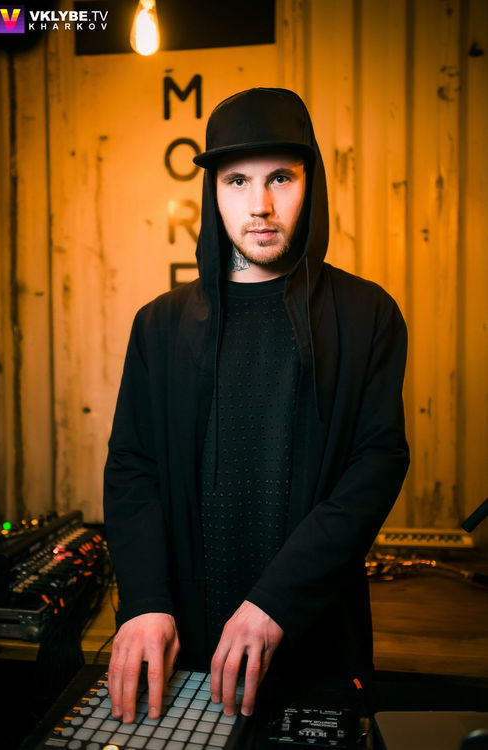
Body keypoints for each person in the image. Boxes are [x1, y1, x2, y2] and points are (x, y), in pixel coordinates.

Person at [103, 87, 409, 726]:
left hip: (315, 643)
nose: (260, 205)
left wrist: (276, 602)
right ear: (212, 192)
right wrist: (145, 600)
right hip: (184, 650)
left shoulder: (367, 315)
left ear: (310, 184)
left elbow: (375, 463)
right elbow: (133, 467)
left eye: (281, 178)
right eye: (237, 181)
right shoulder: (158, 326)